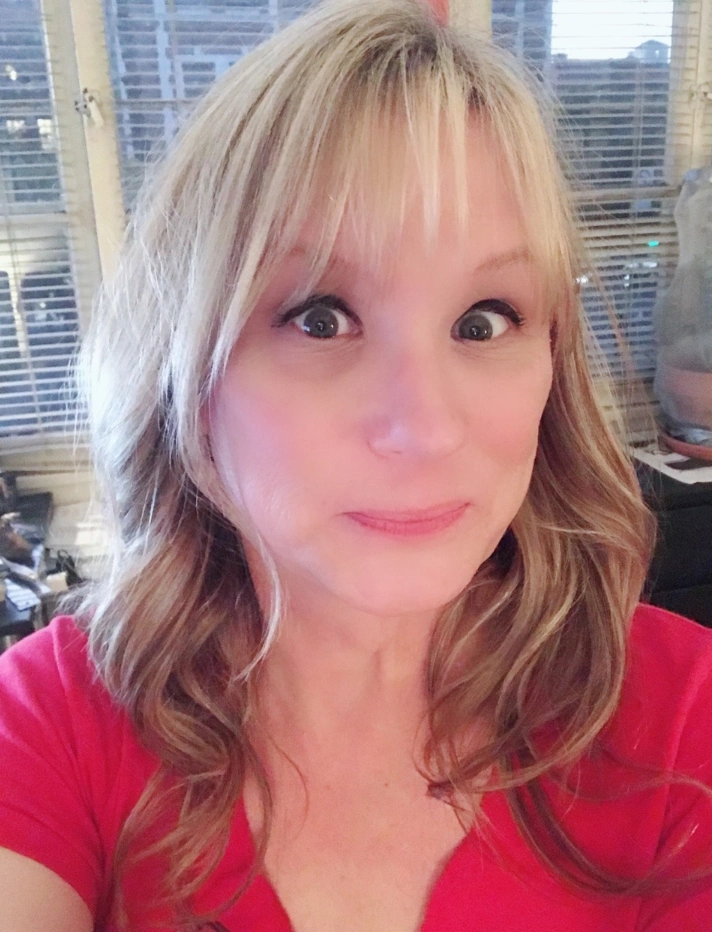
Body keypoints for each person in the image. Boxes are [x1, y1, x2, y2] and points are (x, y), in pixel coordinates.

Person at [1, 0, 711, 929]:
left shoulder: (680, 721)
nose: (427, 429)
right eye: (320, 317)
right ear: (185, 376)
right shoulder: (52, 723)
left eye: (483, 320)